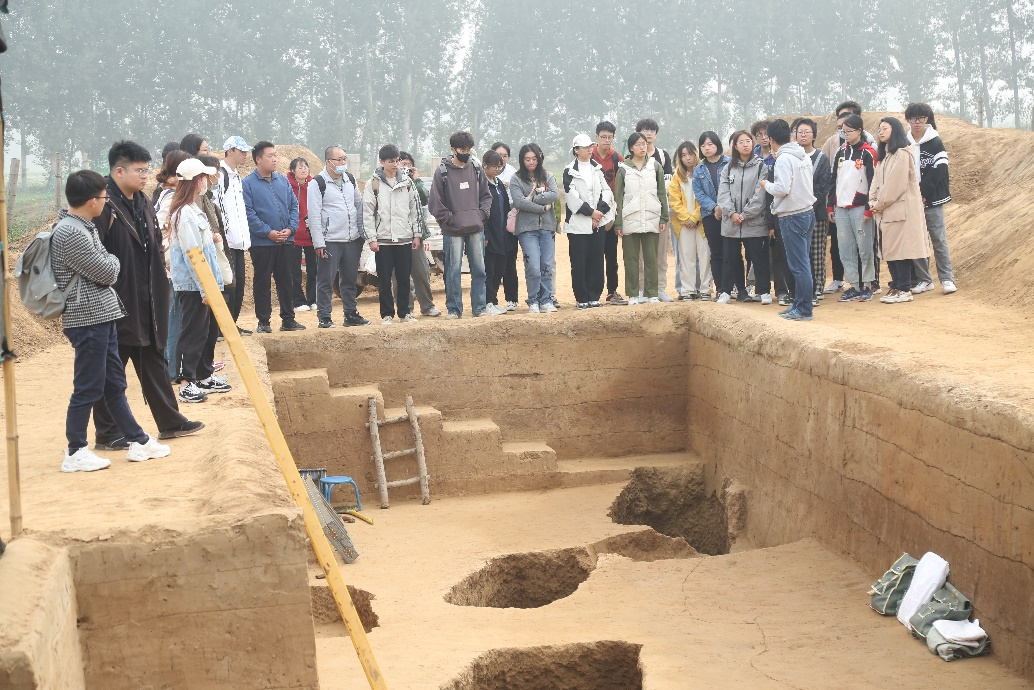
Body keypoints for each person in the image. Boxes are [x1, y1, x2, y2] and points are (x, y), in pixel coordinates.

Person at [54, 170, 171, 472]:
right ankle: (75, 450)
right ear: (92, 201)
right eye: (104, 198)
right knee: (88, 386)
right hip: (87, 318)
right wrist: (114, 260)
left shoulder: (84, 227)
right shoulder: (70, 232)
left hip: (102, 315)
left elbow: (105, 263)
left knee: (114, 384)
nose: (106, 202)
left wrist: (110, 260)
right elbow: (108, 270)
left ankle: (138, 440)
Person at [92, 142, 203, 442]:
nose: (145, 176)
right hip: (116, 299)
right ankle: (108, 432)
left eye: (146, 170)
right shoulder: (103, 206)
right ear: (119, 171)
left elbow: (154, 242)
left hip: (148, 297)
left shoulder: (142, 201)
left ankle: (171, 422)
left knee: (153, 358)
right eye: (139, 170)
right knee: (112, 366)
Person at [168, 158, 230, 400]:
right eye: (203, 177)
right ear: (195, 181)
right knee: (192, 333)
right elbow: (192, 254)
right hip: (193, 285)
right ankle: (186, 382)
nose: (207, 181)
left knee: (206, 332)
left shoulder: (193, 210)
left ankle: (204, 375)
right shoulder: (184, 214)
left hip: (204, 283)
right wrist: (205, 289)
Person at [428, 131, 492, 319]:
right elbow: (435, 202)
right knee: (452, 270)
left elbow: (486, 196)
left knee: (479, 269)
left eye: (468, 149)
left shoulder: (477, 168)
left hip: (476, 228)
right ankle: (454, 309)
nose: (466, 153)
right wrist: (450, 219)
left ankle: (479, 307)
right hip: (452, 231)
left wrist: (481, 215)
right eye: (462, 150)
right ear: (453, 149)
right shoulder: (442, 172)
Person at [243, 141, 305, 332]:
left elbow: (294, 206)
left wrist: (291, 229)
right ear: (258, 159)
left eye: (275, 155)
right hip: (262, 243)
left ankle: (288, 319)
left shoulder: (282, 181)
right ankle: (263, 322)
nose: (275, 159)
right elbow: (248, 213)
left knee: (286, 280)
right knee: (262, 282)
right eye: (270, 156)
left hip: (286, 241)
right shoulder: (247, 183)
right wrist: (267, 232)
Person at [761, 119, 817, 321]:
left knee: (799, 265)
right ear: (791, 135)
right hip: (807, 212)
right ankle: (799, 304)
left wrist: (766, 185)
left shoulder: (784, 159)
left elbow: (782, 188)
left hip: (792, 215)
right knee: (803, 262)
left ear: (771, 139)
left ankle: (804, 309)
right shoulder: (803, 155)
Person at [308, 146, 369, 328]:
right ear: (329, 162)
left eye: (344, 159)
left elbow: (358, 206)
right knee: (326, 281)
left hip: (352, 240)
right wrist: (319, 243)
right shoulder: (318, 183)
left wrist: (362, 234)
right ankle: (324, 316)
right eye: (339, 159)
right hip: (330, 241)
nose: (343, 163)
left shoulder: (350, 179)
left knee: (349, 281)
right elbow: (314, 215)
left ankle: (351, 315)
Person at [870, 117, 930, 304]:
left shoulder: (903, 154)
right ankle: (896, 285)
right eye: (879, 129)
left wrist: (878, 203)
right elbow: (876, 182)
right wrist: (872, 200)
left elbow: (894, 185)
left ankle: (904, 289)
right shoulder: (885, 156)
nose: (880, 132)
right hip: (886, 210)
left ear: (894, 130)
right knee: (889, 250)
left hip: (900, 211)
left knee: (901, 251)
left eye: (885, 128)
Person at [363, 144, 420, 324]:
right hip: (383, 240)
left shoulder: (407, 182)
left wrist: (416, 234)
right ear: (381, 162)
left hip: (404, 238)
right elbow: (367, 213)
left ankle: (405, 313)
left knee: (404, 279)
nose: (395, 164)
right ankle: (387, 314)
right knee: (384, 280)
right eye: (390, 161)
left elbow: (415, 210)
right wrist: (372, 239)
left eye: (397, 161)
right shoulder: (373, 183)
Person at [905, 102, 957, 295]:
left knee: (938, 239)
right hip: (911, 199)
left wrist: (923, 193)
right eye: (913, 119)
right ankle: (924, 280)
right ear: (908, 120)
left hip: (932, 199)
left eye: (920, 118)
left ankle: (947, 279)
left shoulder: (935, 141)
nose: (917, 122)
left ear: (926, 119)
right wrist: (914, 194)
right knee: (918, 241)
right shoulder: (904, 142)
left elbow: (940, 169)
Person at [716, 130, 770, 305]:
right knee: (730, 258)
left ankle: (764, 291)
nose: (745, 144)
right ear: (735, 146)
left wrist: (745, 214)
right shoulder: (728, 168)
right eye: (741, 142)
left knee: (758, 257)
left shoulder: (761, 166)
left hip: (754, 221)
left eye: (748, 141)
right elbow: (723, 194)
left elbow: (760, 194)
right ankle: (728, 291)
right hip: (731, 222)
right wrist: (732, 213)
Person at [829, 114, 878, 303]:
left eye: (849, 131)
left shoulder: (868, 153)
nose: (846, 134)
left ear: (859, 131)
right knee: (845, 249)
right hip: (841, 208)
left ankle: (868, 284)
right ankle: (854, 286)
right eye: (843, 131)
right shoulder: (840, 152)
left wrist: (868, 208)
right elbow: (833, 180)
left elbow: (873, 183)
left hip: (860, 207)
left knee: (865, 248)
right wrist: (830, 205)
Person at [614, 132, 668, 304]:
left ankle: (652, 293)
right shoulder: (623, 168)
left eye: (644, 144)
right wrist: (618, 223)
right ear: (631, 148)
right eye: (638, 144)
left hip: (651, 216)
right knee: (631, 259)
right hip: (629, 218)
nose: (642, 147)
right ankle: (633, 294)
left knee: (651, 258)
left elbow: (661, 193)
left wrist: (663, 217)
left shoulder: (655, 166)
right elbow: (618, 197)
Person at [563, 133, 615, 309]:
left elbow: (606, 191)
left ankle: (594, 296)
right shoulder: (569, 171)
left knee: (596, 260)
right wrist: (591, 213)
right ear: (576, 150)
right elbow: (572, 198)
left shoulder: (597, 168)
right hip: (578, 224)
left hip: (598, 222)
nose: (589, 149)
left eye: (590, 146)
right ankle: (582, 298)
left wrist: (599, 212)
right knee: (579, 262)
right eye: (585, 147)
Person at [509, 143, 560, 313]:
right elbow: (519, 202)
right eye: (527, 159)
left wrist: (533, 198)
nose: (531, 162)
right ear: (522, 160)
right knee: (533, 267)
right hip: (527, 229)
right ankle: (533, 300)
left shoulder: (547, 176)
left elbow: (555, 195)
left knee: (546, 265)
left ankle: (546, 300)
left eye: (534, 159)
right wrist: (543, 207)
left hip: (547, 227)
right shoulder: (516, 179)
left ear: (539, 159)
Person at [394, 152, 442, 317]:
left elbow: (425, 198)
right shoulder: (389, 182)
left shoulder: (414, 183)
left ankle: (427, 306)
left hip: (415, 234)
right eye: (403, 164)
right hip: (395, 236)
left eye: (409, 165)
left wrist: (416, 179)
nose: (406, 168)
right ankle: (406, 309)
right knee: (399, 276)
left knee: (421, 272)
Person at [636, 118, 678, 301]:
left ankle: (660, 288)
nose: (648, 133)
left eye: (652, 130)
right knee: (640, 254)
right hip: (639, 212)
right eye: (645, 130)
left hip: (659, 211)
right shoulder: (631, 158)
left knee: (660, 253)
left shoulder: (662, 156)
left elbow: (668, 184)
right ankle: (642, 289)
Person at [218, 136, 253, 335]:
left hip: (240, 241)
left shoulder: (236, 176)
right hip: (227, 241)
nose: (245, 155)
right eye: (242, 151)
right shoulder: (220, 175)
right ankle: (223, 327)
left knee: (238, 285)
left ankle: (232, 324)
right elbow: (219, 208)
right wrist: (225, 235)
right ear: (230, 151)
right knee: (228, 285)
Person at [796, 118, 832, 303]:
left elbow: (823, 186)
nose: (803, 135)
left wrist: (808, 205)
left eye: (807, 132)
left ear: (814, 136)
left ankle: (817, 288)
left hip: (816, 213)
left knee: (816, 252)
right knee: (800, 253)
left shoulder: (821, 158)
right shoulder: (791, 158)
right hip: (795, 213)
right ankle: (802, 289)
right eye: (800, 132)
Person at [591, 121, 627, 305]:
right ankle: (592, 294)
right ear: (596, 137)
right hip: (593, 211)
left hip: (611, 212)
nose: (606, 140)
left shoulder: (616, 158)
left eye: (610, 137)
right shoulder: (589, 156)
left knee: (611, 255)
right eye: (603, 137)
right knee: (594, 254)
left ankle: (612, 292)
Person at [668, 141, 709, 300]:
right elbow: (674, 201)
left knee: (705, 256)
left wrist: (695, 217)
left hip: (702, 221)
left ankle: (705, 289)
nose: (688, 158)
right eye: (683, 155)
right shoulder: (677, 176)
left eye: (690, 154)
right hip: (683, 224)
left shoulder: (703, 172)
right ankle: (687, 290)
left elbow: (707, 196)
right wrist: (687, 218)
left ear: (696, 154)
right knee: (686, 257)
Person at [692, 131, 729, 300]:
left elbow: (734, 188)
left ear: (717, 145)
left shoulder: (729, 163)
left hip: (729, 214)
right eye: (703, 145)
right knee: (716, 252)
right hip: (709, 215)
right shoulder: (699, 169)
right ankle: (721, 288)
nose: (706, 148)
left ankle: (735, 287)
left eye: (710, 144)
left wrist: (724, 207)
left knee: (732, 251)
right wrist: (714, 207)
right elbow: (699, 194)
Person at [482, 150, 513, 315]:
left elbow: (506, 207)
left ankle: (494, 300)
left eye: (499, 166)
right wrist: (485, 234)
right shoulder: (481, 184)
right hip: (489, 233)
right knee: (489, 269)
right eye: (494, 166)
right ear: (485, 165)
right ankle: (487, 302)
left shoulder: (499, 183)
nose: (496, 169)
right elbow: (481, 211)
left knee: (500, 268)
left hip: (502, 233)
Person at [287, 157, 317, 312]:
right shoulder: (287, 186)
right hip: (293, 234)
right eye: (300, 167)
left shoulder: (314, 185)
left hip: (312, 234)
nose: (304, 170)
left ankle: (314, 299)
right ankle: (298, 301)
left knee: (314, 270)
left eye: (305, 167)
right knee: (295, 271)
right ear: (293, 171)